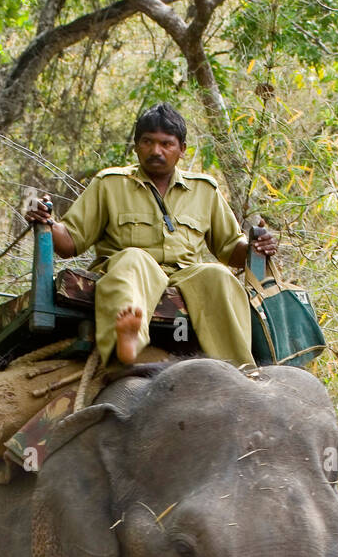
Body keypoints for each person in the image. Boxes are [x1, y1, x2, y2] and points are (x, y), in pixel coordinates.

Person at [27, 102, 279, 367]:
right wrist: (47, 221)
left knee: (218, 274)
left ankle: (239, 367)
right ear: (136, 146)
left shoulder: (204, 190)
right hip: (132, 271)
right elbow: (71, 242)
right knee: (134, 258)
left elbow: (230, 249)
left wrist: (254, 246)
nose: (155, 151)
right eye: (147, 142)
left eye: (166, 144)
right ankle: (128, 341)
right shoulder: (110, 184)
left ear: (182, 149)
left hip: (184, 275)